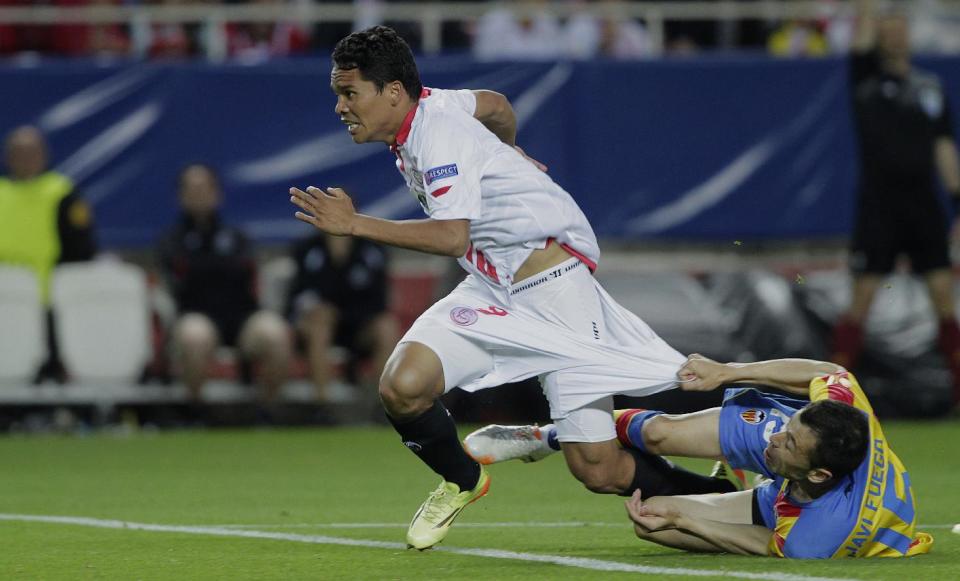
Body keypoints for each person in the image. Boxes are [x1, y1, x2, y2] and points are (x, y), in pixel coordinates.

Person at [288, 25, 713, 550]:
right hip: (493, 286)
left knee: (598, 470)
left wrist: (354, 224)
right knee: (402, 386)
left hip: (557, 293)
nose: (340, 107)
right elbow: (496, 104)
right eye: (338, 94)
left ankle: (719, 497)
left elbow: (450, 236)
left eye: (349, 93)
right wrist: (509, 153)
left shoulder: (435, 136)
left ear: (392, 92)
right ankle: (464, 480)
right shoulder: (432, 106)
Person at [469, 355, 934, 558]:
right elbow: (833, 371)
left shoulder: (815, 537)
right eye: (786, 430)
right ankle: (546, 436)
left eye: (788, 443)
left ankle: (741, 484)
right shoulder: (839, 419)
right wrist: (729, 372)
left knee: (650, 521)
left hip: (792, 508)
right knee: (659, 432)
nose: (775, 440)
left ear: (819, 472)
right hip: (804, 475)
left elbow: (763, 544)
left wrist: (685, 519)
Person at [830, 0, 960, 406]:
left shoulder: (929, 86)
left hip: (924, 207)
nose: (895, 33)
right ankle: (831, 397)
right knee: (862, 299)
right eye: (888, 27)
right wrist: (870, 10)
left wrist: (958, 203)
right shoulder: (865, 78)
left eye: (901, 26)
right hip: (879, 207)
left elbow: (943, 147)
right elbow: (863, 33)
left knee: (943, 297)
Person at [159, 163, 292, 403]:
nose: (199, 194)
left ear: (216, 193)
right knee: (194, 337)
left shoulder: (236, 236)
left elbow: (244, 269)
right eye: (192, 189)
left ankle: (267, 412)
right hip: (196, 314)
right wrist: (219, 267)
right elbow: (181, 279)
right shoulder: (171, 240)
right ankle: (196, 412)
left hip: (242, 318)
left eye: (204, 188)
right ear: (181, 196)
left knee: (275, 334)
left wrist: (204, 266)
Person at [0, 125, 97, 381]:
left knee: (55, 361)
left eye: (32, 152)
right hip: (4, 297)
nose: (26, 159)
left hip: (53, 297)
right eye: (18, 153)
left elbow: (82, 247)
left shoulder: (63, 191)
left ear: (44, 154)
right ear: (7, 157)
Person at [286, 232, 399, 401]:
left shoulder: (371, 250)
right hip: (320, 324)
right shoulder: (308, 249)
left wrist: (347, 314)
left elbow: (380, 302)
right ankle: (323, 405)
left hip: (361, 325)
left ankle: (385, 405)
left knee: (386, 326)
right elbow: (298, 296)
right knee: (320, 324)